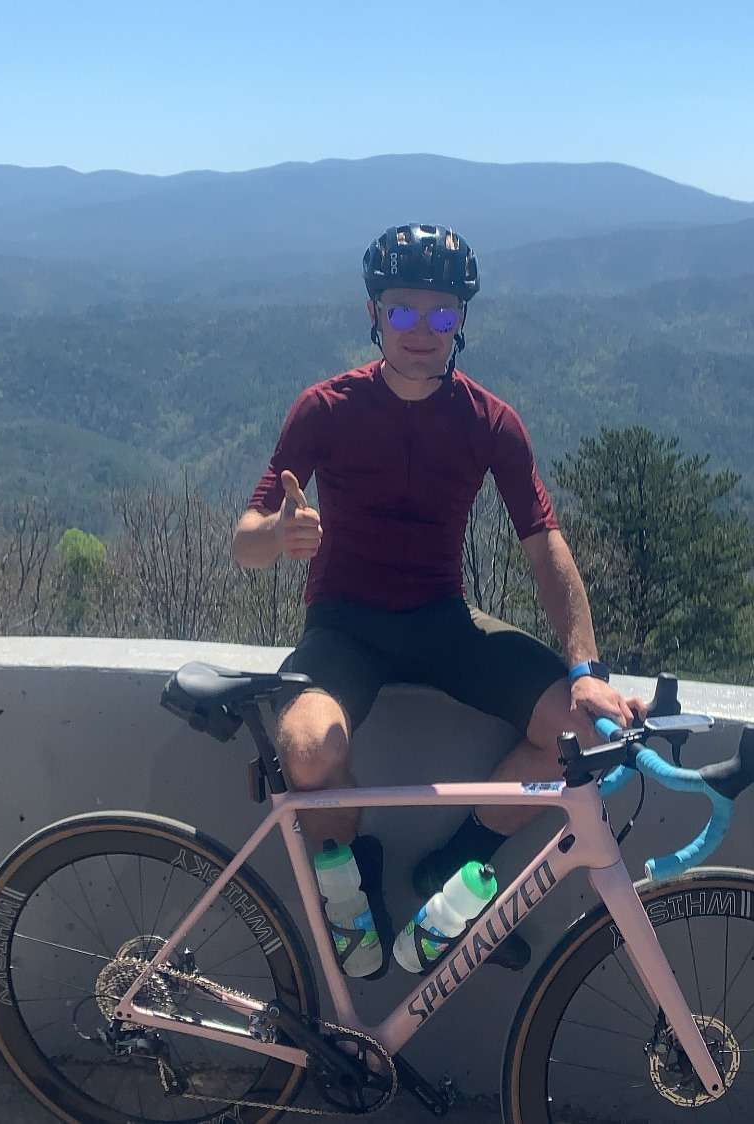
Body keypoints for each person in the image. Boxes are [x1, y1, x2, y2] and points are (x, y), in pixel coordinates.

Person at [233, 222, 646, 972]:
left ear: (463, 319)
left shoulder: (489, 421)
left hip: (443, 620)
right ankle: (353, 881)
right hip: (345, 626)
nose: (422, 332)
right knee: (307, 749)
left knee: (579, 730)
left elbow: (544, 543)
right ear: (373, 315)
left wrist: (585, 667)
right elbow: (247, 535)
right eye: (402, 312)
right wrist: (280, 538)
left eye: (442, 314)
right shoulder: (326, 409)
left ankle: (453, 871)